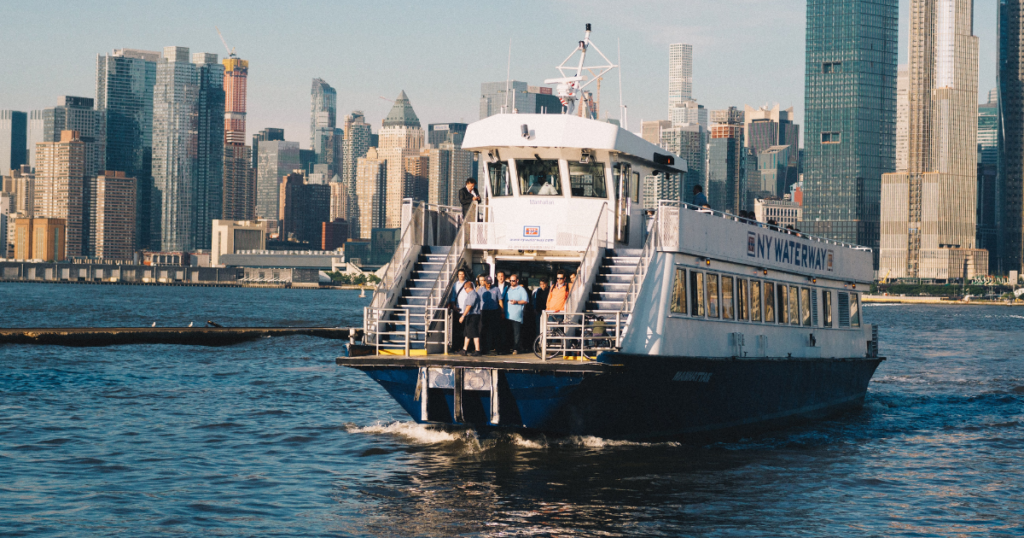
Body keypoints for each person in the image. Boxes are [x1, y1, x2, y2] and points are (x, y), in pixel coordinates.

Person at [505, 274, 530, 354]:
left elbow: (525, 301)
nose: (512, 282)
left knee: (517, 333)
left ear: (517, 280)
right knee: (508, 332)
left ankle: (516, 348)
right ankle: (508, 347)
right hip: (507, 314)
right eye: (510, 281)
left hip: (516, 315)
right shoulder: (507, 288)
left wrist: (517, 302)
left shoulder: (521, 289)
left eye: (513, 280)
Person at [477, 275, 502, 353]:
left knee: (494, 330)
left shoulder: (496, 289)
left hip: (493, 312)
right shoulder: (480, 290)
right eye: (487, 283)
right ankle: (483, 348)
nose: (489, 284)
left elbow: (500, 301)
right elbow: (477, 301)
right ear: (484, 282)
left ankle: (496, 348)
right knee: (483, 330)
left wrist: (502, 312)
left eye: (490, 283)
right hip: (483, 312)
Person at [458, 281, 482, 356]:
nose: (465, 290)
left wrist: (463, 316)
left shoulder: (472, 294)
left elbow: (469, 306)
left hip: (473, 315)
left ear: (468, 288)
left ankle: (477, 350)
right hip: (471, 315)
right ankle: (464, 349)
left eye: (465, 288)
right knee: (467, 333)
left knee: (474, 333)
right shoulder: (472, 294)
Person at [448, 268, 469, 350]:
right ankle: (457, 347)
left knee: (465, 330)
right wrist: (454, 306)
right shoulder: (455, 285)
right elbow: (453, 296)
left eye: (462, 274)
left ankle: (465, 347)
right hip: (458, 310)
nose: (461, 276)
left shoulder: (469, 284)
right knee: (457, 329)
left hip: (466, 311)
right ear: (458, 275)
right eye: (460, 274)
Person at [494, 271, 511, 352]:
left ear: (504, 277)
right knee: (497, 329)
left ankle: (505, 347)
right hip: (495, 310)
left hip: (506, 310)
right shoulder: (494, 286)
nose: (500, 277)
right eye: (499, 276)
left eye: (502, 276)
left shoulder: (508, 286)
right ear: (497, 277)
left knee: (505, 330)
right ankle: (497, 347)